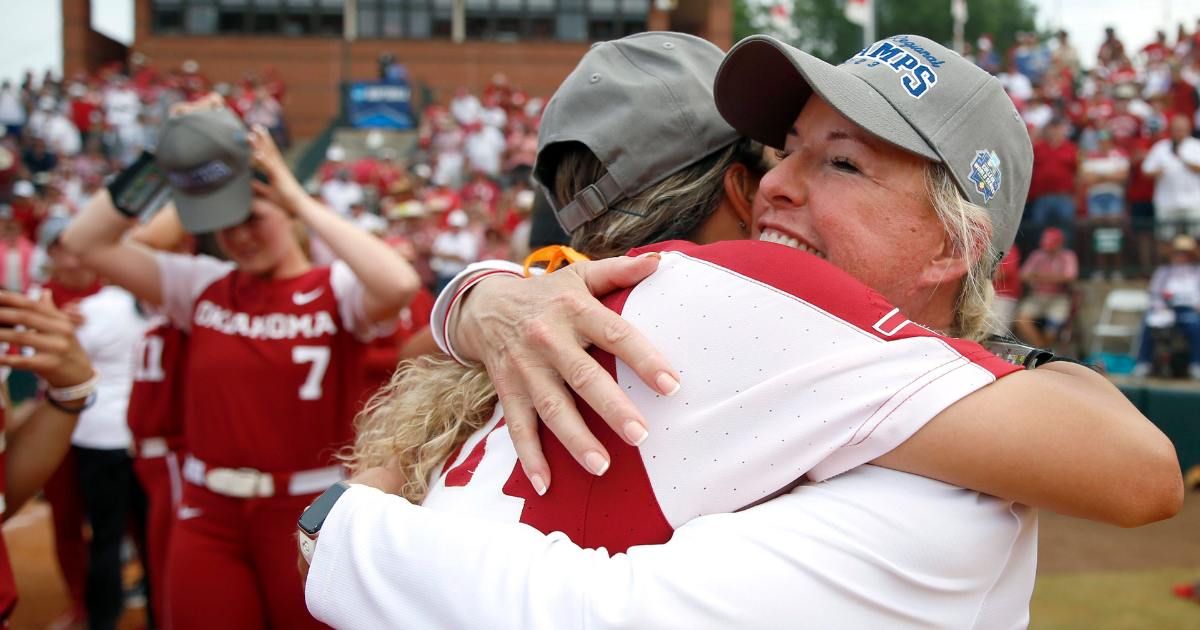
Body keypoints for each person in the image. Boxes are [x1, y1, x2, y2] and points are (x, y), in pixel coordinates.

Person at [302, 34, 1181, 629]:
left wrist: (351, 524)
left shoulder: (944, 475)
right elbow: (1139, 471)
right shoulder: (721, 304)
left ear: (955, 245)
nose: (776, 188)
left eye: (840, 162)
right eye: (785, 149)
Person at [61, 98, 421, 630]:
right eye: (225, 225)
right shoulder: (203, 285)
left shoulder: (334, 289)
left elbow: (399, 283)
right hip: (208, 514)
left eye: (254, 217)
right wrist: (168, 157)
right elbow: (83, 242)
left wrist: (297, 195)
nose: (238, 236)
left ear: (290, 216)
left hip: (306, 510)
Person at [34, 216, 150, 630]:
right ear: (50, 255)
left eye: (76, 244)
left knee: (131, 522)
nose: (73, 254)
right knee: (68, 517)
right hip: (63, 427)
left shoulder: (117, 293)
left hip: (109, 430)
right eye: (61, 246)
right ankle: (82, 603)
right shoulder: (40, 297)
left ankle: (114, 599)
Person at [1134, 234, 1200, 379]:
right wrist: (1161, 307)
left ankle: (1196, 364)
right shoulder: (1163, 271)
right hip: (1166, 309)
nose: (1181, 256)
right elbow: (1155, 294)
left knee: (1196, 325)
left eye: (1184, 253)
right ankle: (1144, 363)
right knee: (1148, 321)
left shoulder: (1197, 271)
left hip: (1190, 311)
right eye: (1178, 252)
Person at [1014, 227, 1078, 348]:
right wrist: (1051, 277)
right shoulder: (1038, 255)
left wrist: (1041, 276)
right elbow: (1023, 275)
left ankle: (1044, 347)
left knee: (1053, 327)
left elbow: (1069, 277)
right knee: (1021, 318)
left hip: (1059, 298)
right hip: (1037, 296)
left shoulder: (1067, 256)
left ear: (1059, 243)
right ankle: (1041, 347)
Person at [1080, 128, 1130, 279]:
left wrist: (1099, 176)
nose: (1103, 142)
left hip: (1114, 196)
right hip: (1096, 197)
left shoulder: (1119, 153)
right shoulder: (1091, 155)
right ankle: (1101, 269)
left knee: (1114, 233)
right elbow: (1087, 179)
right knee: (1099, 233)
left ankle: (1116, 269)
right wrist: (1110, 176)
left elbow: (1122, 177)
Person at [1143, 114, 1200, 237]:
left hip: (1193, 202)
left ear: (1189, 129)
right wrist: (1158, 172)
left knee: (1195, 239)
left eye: (1181, 129)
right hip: (1166, 203)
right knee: (1166, 239)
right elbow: (1146, 171)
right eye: (1176, 129)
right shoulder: (1160, 147)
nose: (1179, 132)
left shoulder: (1196, 146)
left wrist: (1184, 160)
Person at [1027, 118, 1079, 246]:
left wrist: (1077, 197)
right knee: (1040, 231)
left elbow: (1078, 174)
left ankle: (1065, 260)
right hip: (1042, 196)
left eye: (1058, 127)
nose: (1055, 131)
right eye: (1053, 127)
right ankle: (1041, 261)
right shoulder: (1038, 148)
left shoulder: (1071, 148)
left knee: (1065, 229)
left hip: (1064, 196)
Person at [429, 209, 477, 293]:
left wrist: (446, 255)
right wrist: (454, 256)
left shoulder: (468, 239)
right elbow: (435, 252)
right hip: (444, 276)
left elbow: (466, 258)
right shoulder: (443, 237)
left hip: (460, 276)